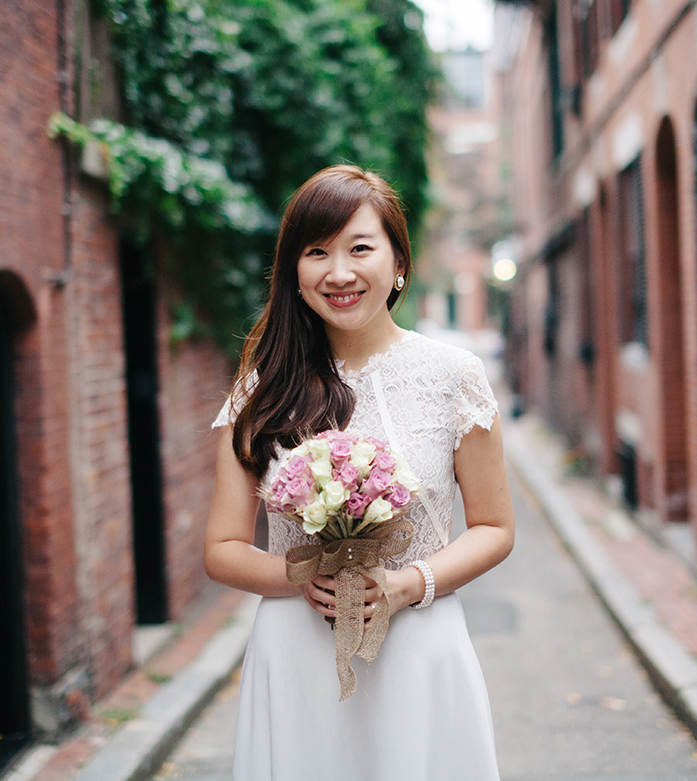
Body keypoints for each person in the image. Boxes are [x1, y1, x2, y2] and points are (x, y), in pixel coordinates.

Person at [205, 164, 514, 780]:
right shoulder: (261, 392)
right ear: (294, 272)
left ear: (398, 263)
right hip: (296, 650)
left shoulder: (453, 377)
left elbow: (494, 528)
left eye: (360, 248)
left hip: (418, 644)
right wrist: (298, 577)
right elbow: (222, 549)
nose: (339, 272)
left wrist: (410, 583)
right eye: (317, 252)